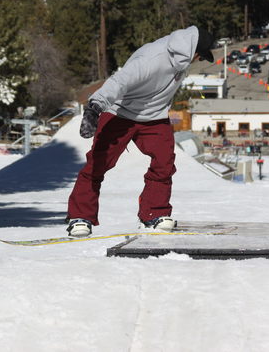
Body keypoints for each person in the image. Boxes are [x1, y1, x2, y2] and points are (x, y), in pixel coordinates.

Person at [65, 26, 215, 237]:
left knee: (164, 163)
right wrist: (94, 108)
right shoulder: (152, 58)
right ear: (193, 50)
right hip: (120, 113)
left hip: (154, 117)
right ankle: (80, 217)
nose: (199, 61)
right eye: (201, 56)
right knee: (98, 163)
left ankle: (153, 214)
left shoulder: (182, 60)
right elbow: (119, 81)